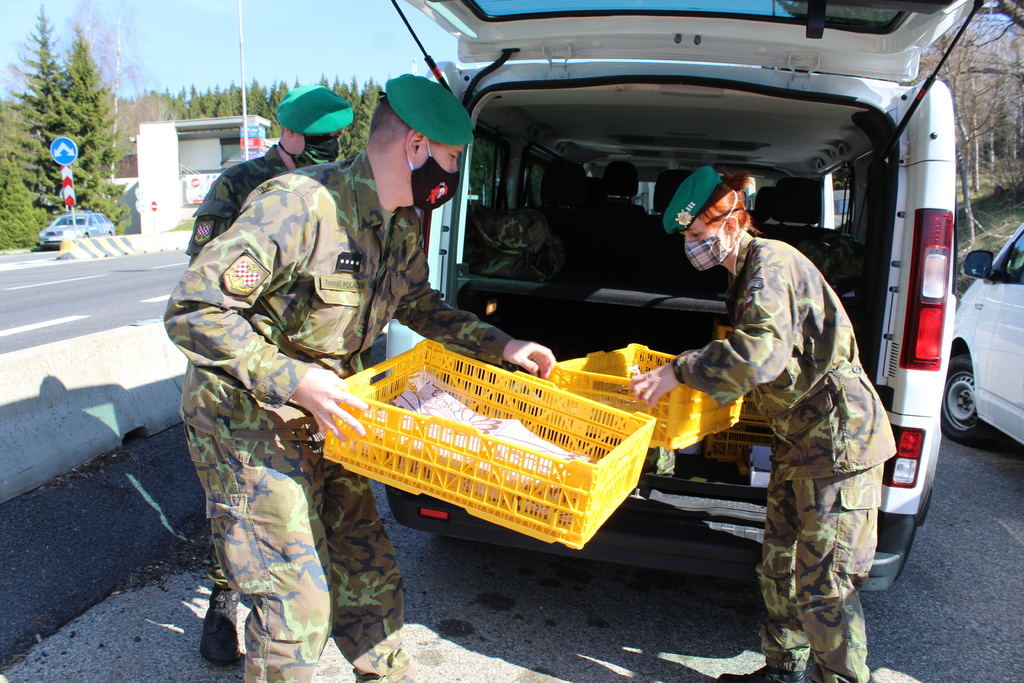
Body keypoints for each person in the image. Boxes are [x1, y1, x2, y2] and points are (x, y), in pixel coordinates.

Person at [164, 73, 556, 683]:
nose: (453, 176)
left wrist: (504, 344)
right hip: (248, 423)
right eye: (453, 159)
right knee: (297, 609)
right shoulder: (299, 204)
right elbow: (194, 309)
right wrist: (291, 379)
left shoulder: (398, 220)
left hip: (330, 414)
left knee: (367, 573)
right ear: (418, 147)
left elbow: (419, 302)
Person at [629, 166, 895, 683]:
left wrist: (678, 371)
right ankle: (785, 669)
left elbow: (761, 355)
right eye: (687, 239)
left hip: (839, 443)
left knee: (826, 584)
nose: (692, 247)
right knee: (779, 564)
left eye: (698, 235)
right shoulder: (745, 271)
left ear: (732, 221)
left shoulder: (769, 263)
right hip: (799, 440)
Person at [184, 84, 355, 665]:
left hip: (295, 376)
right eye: (318, 141)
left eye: (336, 141)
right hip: (237, 374)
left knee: (284, 510)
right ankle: (223, 601)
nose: (327, 150)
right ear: (287, 134)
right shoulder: (238, 183)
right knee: (232, 503)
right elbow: (203, 283)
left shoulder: (331, 186)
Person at [185, 84, 354, 260]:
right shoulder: (238, 182)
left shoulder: (337, 184)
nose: (331, 146)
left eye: (337, 137)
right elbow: (206, 263)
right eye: (321, 138)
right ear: (289, 130)